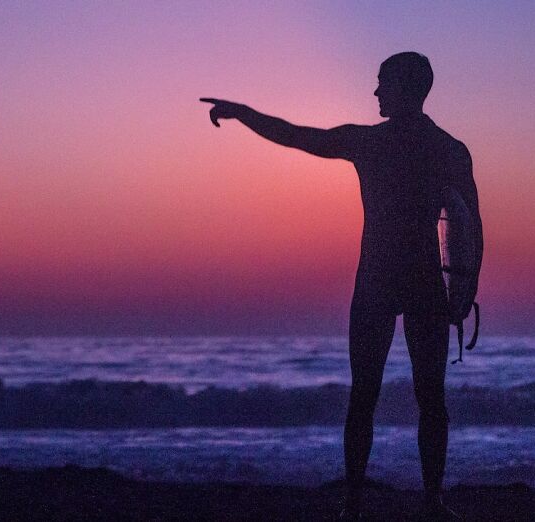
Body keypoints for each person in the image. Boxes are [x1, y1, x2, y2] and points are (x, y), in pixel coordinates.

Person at [201, 52, 481, 520]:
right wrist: (465, 289)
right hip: (425, 282)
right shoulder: (451, 149)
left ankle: (355, 506)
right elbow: (473, 226)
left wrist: (242, 113)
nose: (375, 92)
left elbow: (298, 137)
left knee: (367, 394)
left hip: (378, 281)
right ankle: (428, 502)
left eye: (381, 84)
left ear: (404, 87)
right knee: (429, 396)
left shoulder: (373, 143)